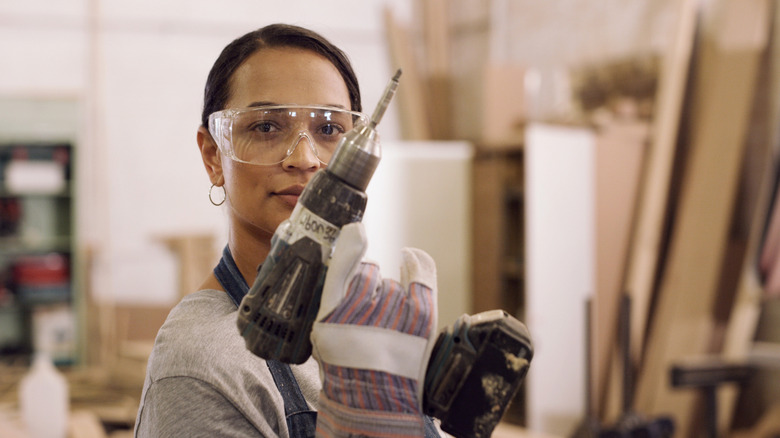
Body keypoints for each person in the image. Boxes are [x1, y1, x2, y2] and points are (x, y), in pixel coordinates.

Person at [134, 24, 442, 437]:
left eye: (330, 129)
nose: (304, 158)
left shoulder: (373, 331)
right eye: (265, 127)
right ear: (212, 156)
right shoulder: (201, 364)